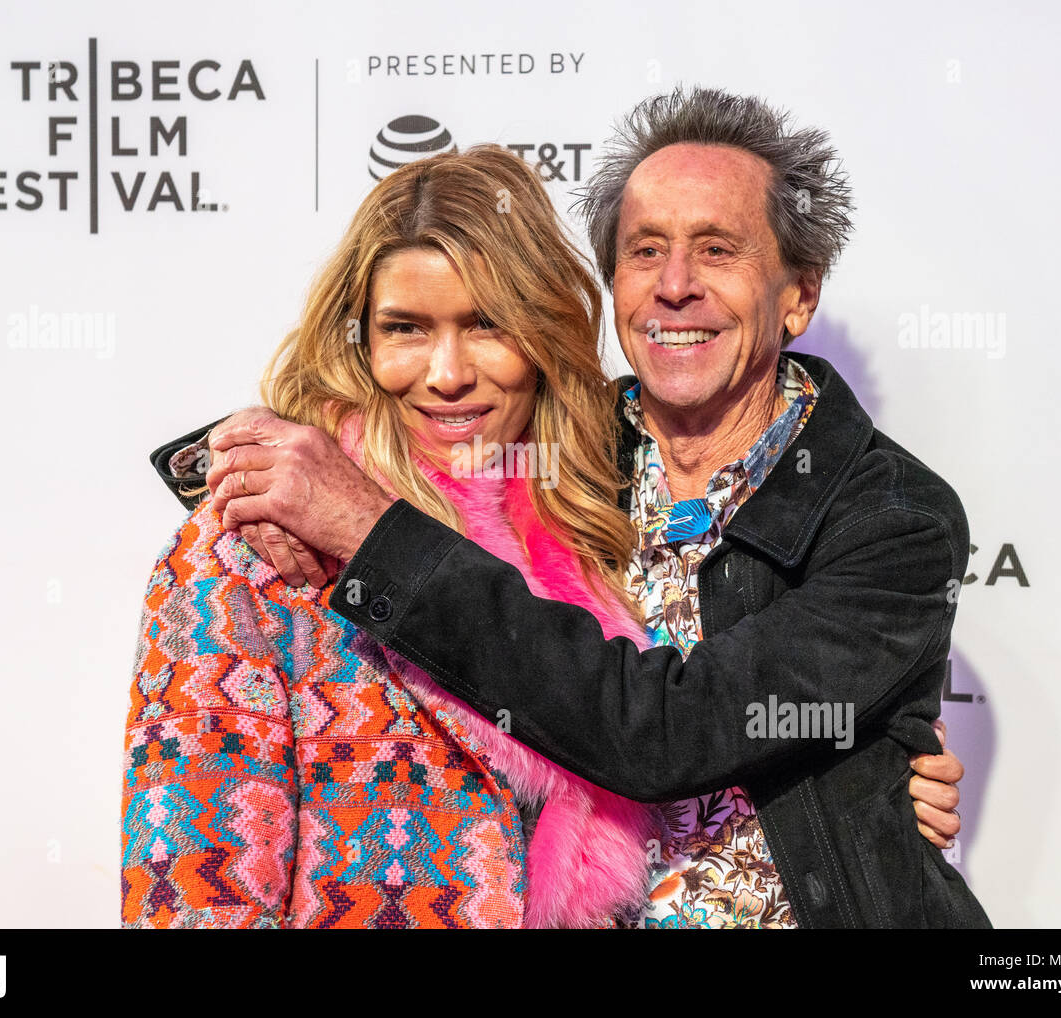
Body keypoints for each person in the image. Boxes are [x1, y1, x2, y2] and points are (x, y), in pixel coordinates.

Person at [169, 86, 988, 928]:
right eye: (645, 251)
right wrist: (249, 470)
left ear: (798, 296)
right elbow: (401, 429)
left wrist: (869, 779)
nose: (675, 286)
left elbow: (668, 730)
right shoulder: (561, 457)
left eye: (717, 250)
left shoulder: (893, 517)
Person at [123, 145, 676, 929]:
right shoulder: (249, 546)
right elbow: (192, 901)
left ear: (544, 332)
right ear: (361, 343)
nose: (447, 374)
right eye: (406, 329)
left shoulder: (591, 526)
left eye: (487, 324)